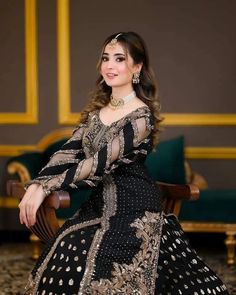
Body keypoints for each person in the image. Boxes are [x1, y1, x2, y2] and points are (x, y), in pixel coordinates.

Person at [19, 32, 229, 295]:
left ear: (137, 67)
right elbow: (67, 153)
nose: (109, 65)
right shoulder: (96, 114)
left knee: (103, 270)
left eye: (119, 59)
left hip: (135, 206)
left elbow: (98, 163)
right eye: (106, 58)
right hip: (98, 205)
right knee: (63, 253)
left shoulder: (141, 117)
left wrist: (45, 188)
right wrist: (37, 184)